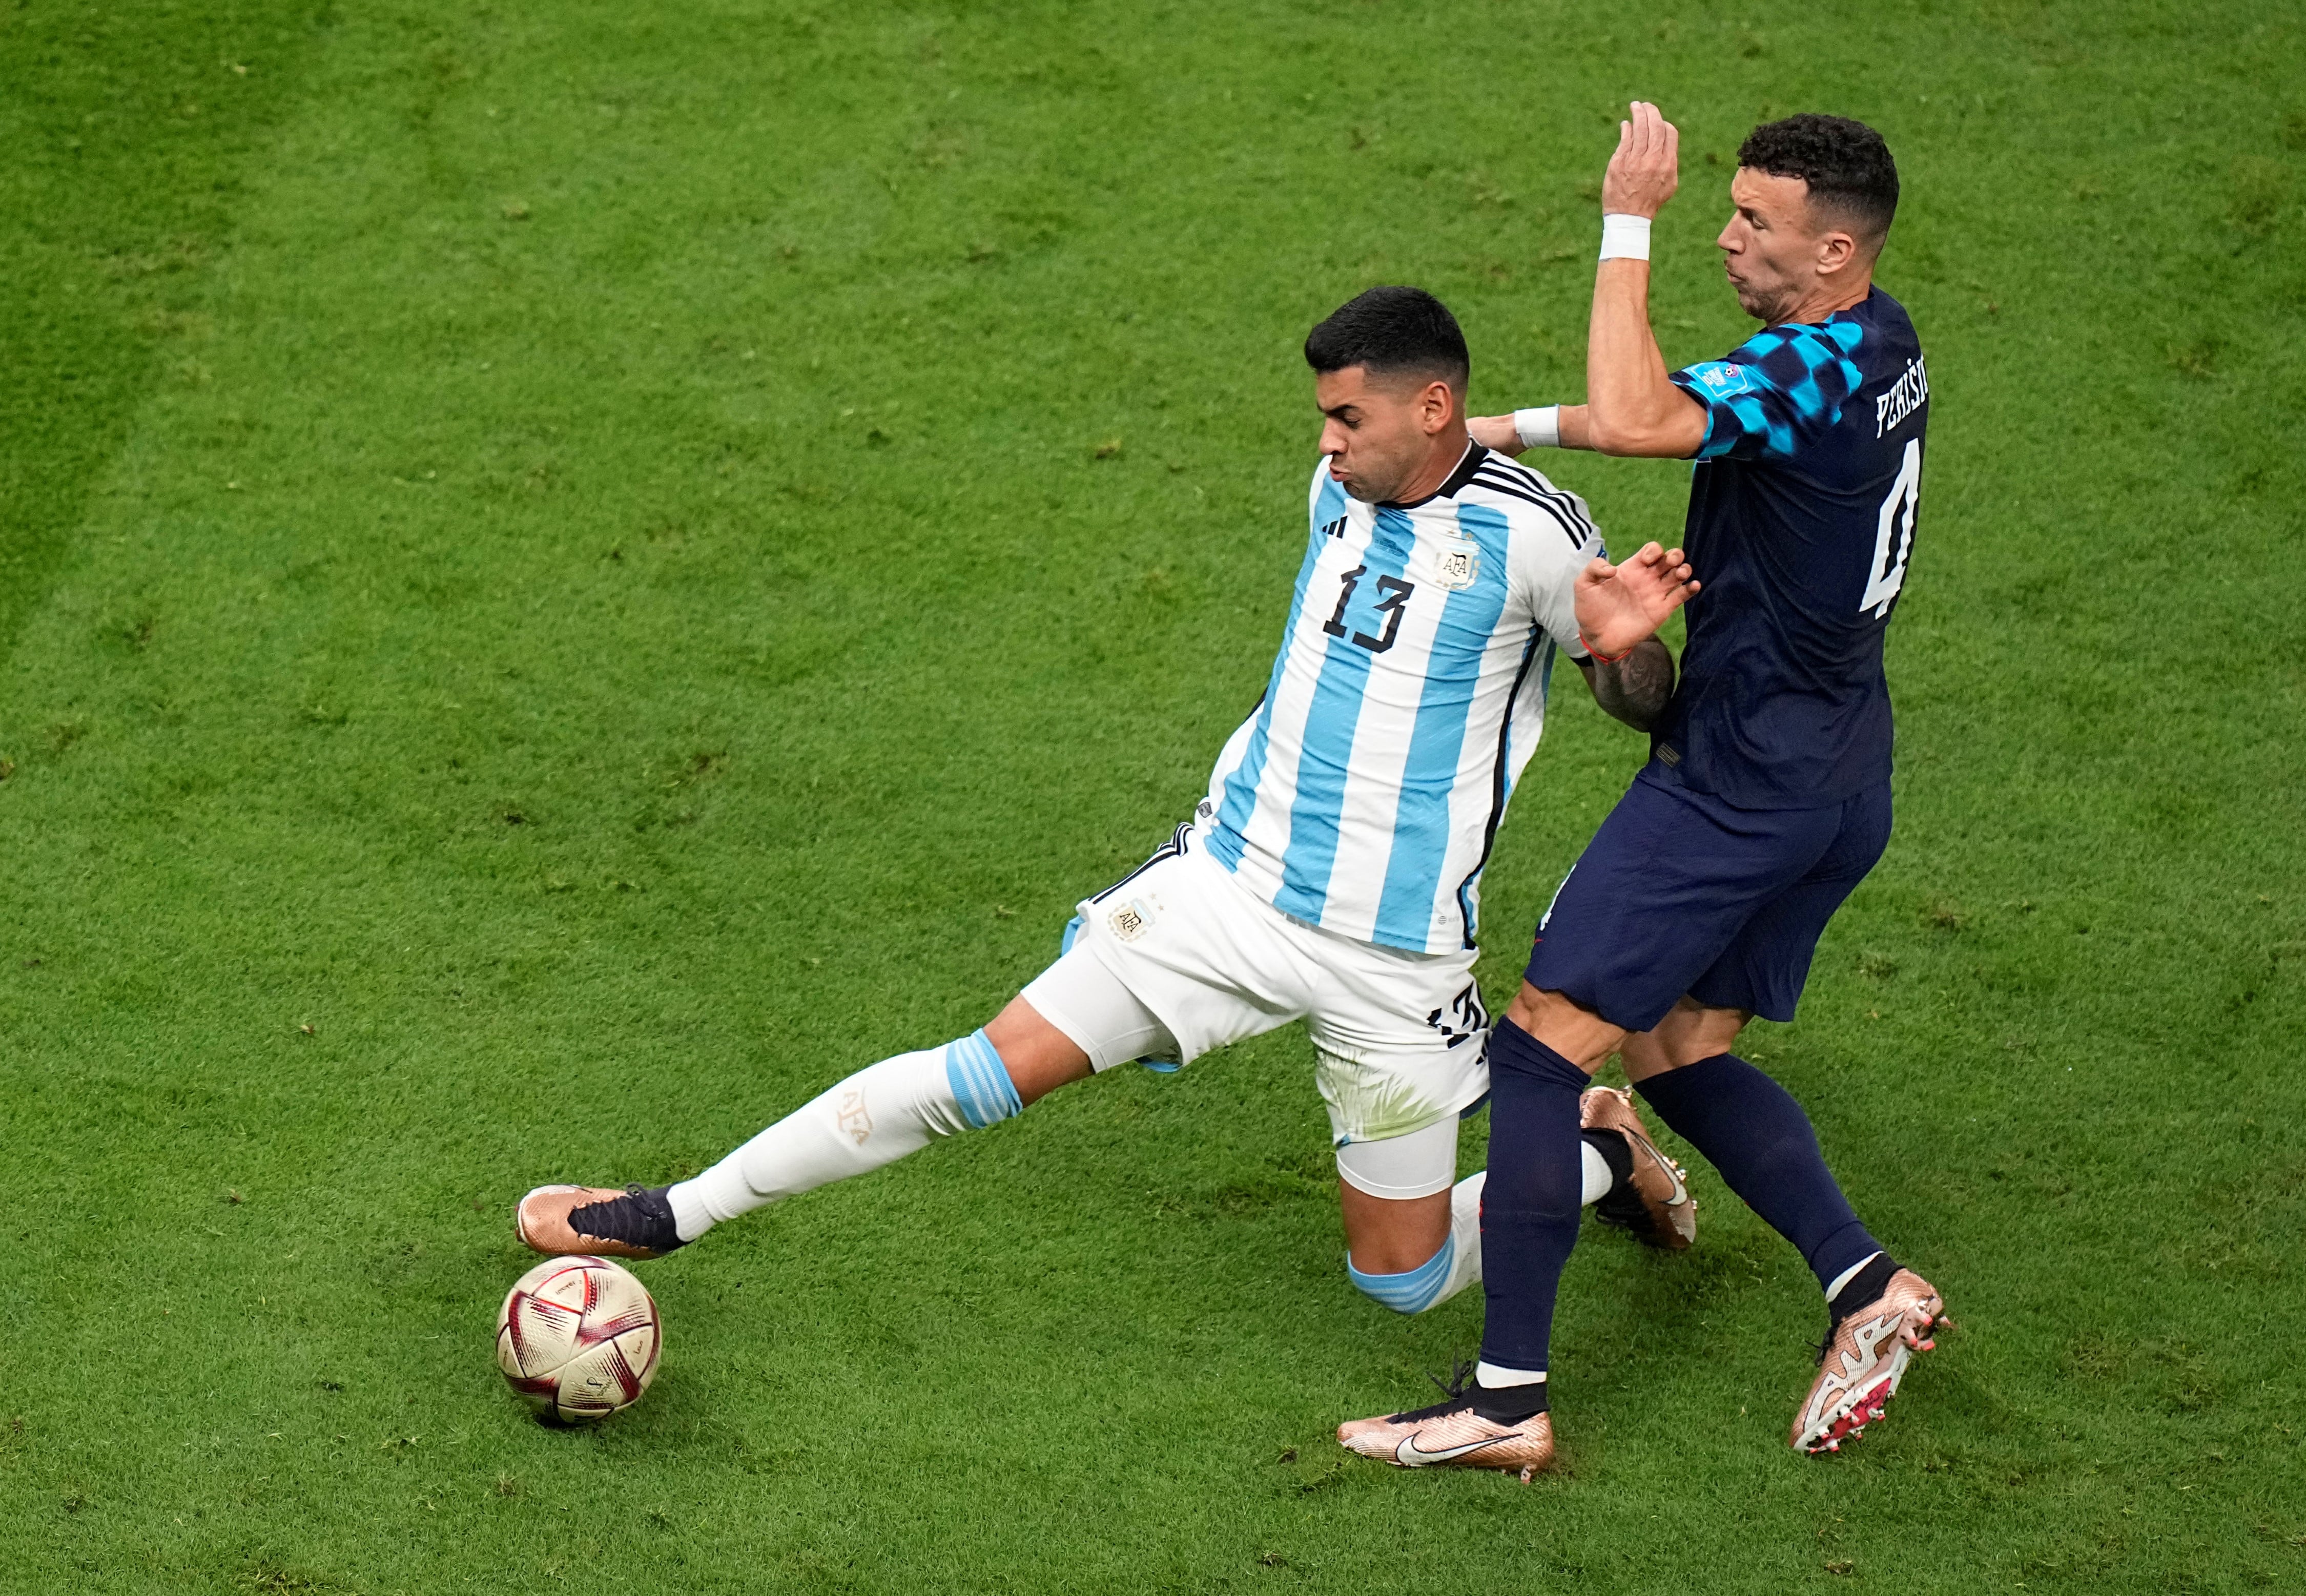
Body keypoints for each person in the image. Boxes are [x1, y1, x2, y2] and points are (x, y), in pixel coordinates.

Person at [515, 286, 1702, 1318]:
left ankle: (1603, 1146)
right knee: (982, 1072)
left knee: (1402, 1279)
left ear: (1433, 406)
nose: (1328, 444)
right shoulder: (1336, 491)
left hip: (1393, 954)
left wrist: (1623, 653)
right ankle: (673, 1213)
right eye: (1323, 421)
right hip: (1229, 888)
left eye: (1350, 417)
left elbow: (1644, 702)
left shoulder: (1537, 534)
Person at [1339, 109, 1943, 1478]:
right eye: (1719, 212)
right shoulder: (1877, 346)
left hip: (1737, 784)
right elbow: (1692, 413)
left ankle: (1502, 1403)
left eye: (1754, 223)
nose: (1725, 237)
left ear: (1833, 248)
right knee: (1676, 1048)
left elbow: (1634, 416)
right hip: (1843, 769)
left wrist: (1629, 222)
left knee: (1546, 1047)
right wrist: (1485, 431)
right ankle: (1865, 1287)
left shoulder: (1809, 362)